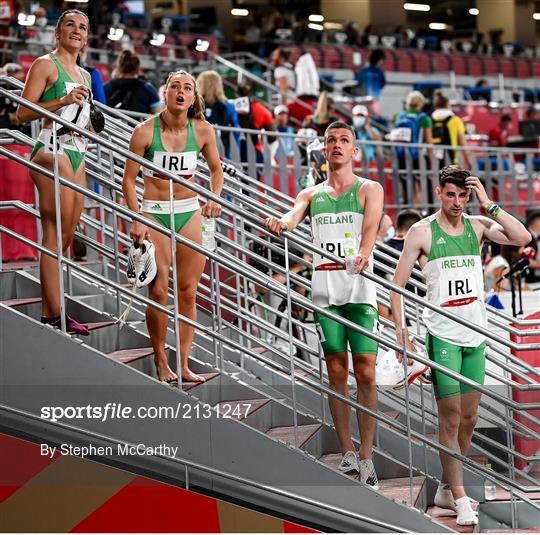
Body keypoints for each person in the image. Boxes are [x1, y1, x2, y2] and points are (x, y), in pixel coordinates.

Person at [389, 165, 530, 525]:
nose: (457, 201)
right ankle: (462, 495)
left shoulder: (479, 226)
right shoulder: (421, 232)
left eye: (463, 195)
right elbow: (397, 285)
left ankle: (445, 488)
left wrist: (489, 202)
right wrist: (401, 330)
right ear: (439, 193)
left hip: (475, 336)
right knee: (449, 420)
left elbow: (523, 237)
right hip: (443, 336)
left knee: (468, 419)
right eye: (450, 194)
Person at [265, 121, 384, 489]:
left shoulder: (369, 188)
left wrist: (364, 253)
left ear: (354, 151)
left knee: (365, 372)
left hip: (360, 290)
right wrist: (281, 223)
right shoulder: (311, 193)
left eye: (344, 140)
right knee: (336, 373)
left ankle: (367, 454)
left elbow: (371, 229)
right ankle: (348, 451)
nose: (336, 145)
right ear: (323, 149)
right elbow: (292, 215)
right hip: (325, 291)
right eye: (331, 140)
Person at [122, 70, 224, 383]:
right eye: (175, 87)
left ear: (194, 97)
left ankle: (183, 364)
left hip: (189, 211)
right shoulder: (144, 131)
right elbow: (128, 178)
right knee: (159, 289)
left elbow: (217, 170)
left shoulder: (203, 130)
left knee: (189, 293)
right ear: (166, 93)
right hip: (155, 211)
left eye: (187, 88)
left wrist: (214, 197)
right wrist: (136, 216)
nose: (181, 92)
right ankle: (161, 360)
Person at [16, 9, 94, 335]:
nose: (77, 30)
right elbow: (22, 112)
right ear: (58, 32)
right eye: (71, 25)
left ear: (87, 37)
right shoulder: (45, 64)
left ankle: (52, 310)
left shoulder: (86, 75)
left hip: (78, 151)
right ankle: (53, 312)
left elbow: (83, 117)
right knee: (54, 232)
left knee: (65, 237)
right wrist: (62, 100)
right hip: (51, 148)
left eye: (83, 27)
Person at [391, 90, 433, 206]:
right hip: (416, 156)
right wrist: (431, 160)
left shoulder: (399, 116)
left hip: (400, 156)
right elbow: (429, 141)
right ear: (421, 104)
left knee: (404, 187)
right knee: (418, 187)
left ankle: (405, 212)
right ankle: (418, 214)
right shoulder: (424, 118)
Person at [196, 70, 239, 159]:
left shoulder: (193, 105)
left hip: (199, 155)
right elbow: (235, 133)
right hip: (223, 153)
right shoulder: (229, 106)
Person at [104, 50, 161, 115]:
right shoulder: (147, 88)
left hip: (112, 124)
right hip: (137, 124)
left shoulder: (108, 86)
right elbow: (157, 116)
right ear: (137, 68)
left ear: (119, 66)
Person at [431, 90, 468, 166]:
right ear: (448, 105)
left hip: (432, 159)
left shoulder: (430, 119)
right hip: (451, 159)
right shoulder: (456, 120)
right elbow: (462, 142)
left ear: (436, 106)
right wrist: (468, 160)